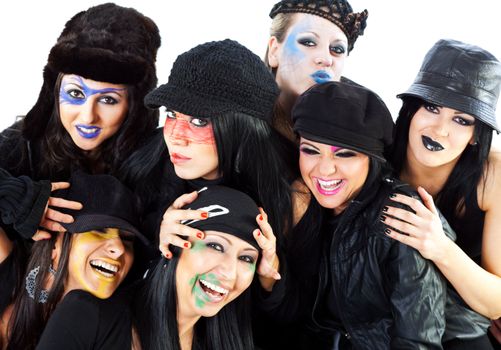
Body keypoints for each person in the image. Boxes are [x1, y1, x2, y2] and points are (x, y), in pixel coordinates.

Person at [263, 81, 484, 349]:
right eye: (310, 150)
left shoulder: (401, 215)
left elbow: (417, 340)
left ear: (372, 159)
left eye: (344, 154)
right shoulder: (308, 206)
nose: (324, 169)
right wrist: (271, 273)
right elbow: (293, 316)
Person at [0, 1, 160, 328]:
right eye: (75, 93)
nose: (88, 116)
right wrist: (13, 196)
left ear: (134, 104)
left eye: (109, 99)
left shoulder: (155, 161)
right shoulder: (24, 143)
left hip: (109, 320)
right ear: (55, 89)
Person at [123, 39, 295, 250]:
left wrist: (270, 274)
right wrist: (154, 241)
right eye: (171, 114)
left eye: (199, 121)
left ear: (242, 128)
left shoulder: (289, 198)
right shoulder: (143, 165)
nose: (176, 137)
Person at [385, 39, 501, 349]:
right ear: (411, 109)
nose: (440, 130)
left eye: (461, 119)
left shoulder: (493, 175)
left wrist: (439, 246)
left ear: (477, 134)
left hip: (463, 331)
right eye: (432, 106)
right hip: (383, 317)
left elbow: (496, 302)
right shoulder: (377, 149)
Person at [1, 171, 149, 350]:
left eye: (127, 239)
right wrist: (19, 197)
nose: (119, 249)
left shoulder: (125, 334)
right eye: (98, 230)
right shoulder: (8, 269)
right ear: (55, 243)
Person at [135, 185, 278, 350]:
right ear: (175, 244)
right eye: (215, 246)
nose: (229, 273)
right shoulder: (108, 325)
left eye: (246, 258)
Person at [265, 0, 368, 139]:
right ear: (274, 51)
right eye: (308, 42)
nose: (326, 59)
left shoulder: (364, 129)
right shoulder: (235, 128)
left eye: (337, 49)